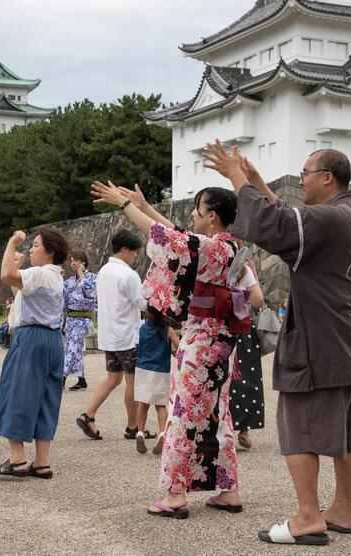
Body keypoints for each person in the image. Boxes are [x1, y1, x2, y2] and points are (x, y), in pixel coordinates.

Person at [203, 143, 351, 544]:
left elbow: (276, 226)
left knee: (299, 428)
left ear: (327, 177)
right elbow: (289, 219)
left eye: (306, 172)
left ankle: (307, 518)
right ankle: (342, 510)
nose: (301, 178)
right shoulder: (347, 213)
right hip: (349, 340)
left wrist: (235, 177)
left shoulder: (326, 217)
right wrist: (256, 180)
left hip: (321, 343)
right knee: (349, 433)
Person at [91, 180, 249, 520]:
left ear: (212, 216)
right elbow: (178, 235)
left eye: (198, 209)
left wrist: (125, 206)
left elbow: (172, 238)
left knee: (183, 414)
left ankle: (176, 495)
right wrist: (144, 206)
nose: (193, 214)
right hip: (221, 340)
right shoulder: (228, 247)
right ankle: (228, 489)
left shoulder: (212, 248)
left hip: (203, 340)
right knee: (216, 414)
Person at [0, 228, 69, 479]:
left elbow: (6, 275)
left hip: (31, 338)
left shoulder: (39, 273)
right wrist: (17, 266)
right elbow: (21, 293)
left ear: (50, 252)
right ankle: (42, 462)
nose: (31, 249)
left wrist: (12, 242)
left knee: (17, 392)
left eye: (36, 245)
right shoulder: (55, 277)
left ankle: (17, 459)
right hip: (53, 339)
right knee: (47, 398)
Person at [75, 230, 147, 441]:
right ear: (125, 249)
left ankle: (88, 414)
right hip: (127, 335)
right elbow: (142, 302)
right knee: (132, 381)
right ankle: (132, 426)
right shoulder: (129, 274)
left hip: (109, 335)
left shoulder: (104, 271)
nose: (136, 256)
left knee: (113, 378)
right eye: (134, 252)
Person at [133, 306, 178, 456]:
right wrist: (172, 350)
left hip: (143, 369)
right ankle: (162, 434)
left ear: (148, 313)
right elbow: (178, 347)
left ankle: (140, 432)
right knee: (160, 405)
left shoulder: (143, 329)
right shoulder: (168, 330)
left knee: (143, 404)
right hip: (160, 370)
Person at [230, 259, 265, 451]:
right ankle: (243, 430)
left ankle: (219, 429)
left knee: (218, 379)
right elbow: (257, 301)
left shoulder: (210, 262)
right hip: (242, 329)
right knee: (247, 379)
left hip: (216, 327)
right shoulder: (244, 271)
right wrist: (255, 278)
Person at [63, 251, 97, 391]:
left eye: (76, 260)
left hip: (83, 319)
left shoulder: (92, 277)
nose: (73, 263)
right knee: (71, 349)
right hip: (70, 319)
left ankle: (61, 379)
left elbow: (92, 293)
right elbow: (63, 300)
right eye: (71, 261)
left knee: (73, 349)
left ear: (83, 262)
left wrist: (82, 276)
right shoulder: (69, 281)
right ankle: (81, 380)